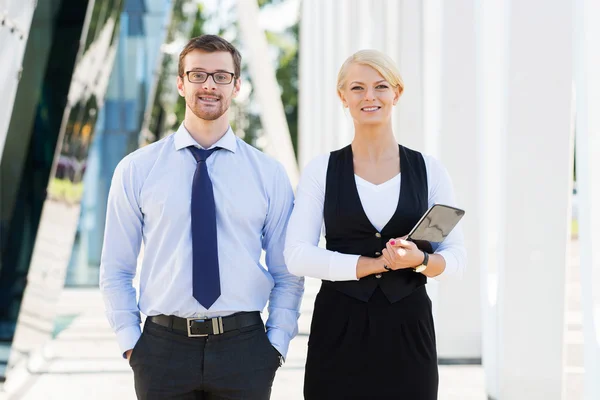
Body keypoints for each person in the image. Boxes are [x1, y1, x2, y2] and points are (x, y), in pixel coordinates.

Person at [99, 34, 304, 400]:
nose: (209, 85)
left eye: (221, 76)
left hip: (245, 349)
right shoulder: (137, 169)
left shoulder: (268, 173)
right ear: (180, 83)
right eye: (197, 75)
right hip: (162, 350)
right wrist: (131, 343)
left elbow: (286, 271)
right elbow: (116, 268)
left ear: (237, 86)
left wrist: (276, 343)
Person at [284, 49, 467, 399]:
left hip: (409, 329)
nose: (369, 96)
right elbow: (296, 254)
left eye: (381, 86)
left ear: (396, 93)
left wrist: (421, 261)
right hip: (338, 327)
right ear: (343, 97)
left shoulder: (430, 171)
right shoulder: (321, 170)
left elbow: (456, 259)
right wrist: (371, 265)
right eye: (357, 88)